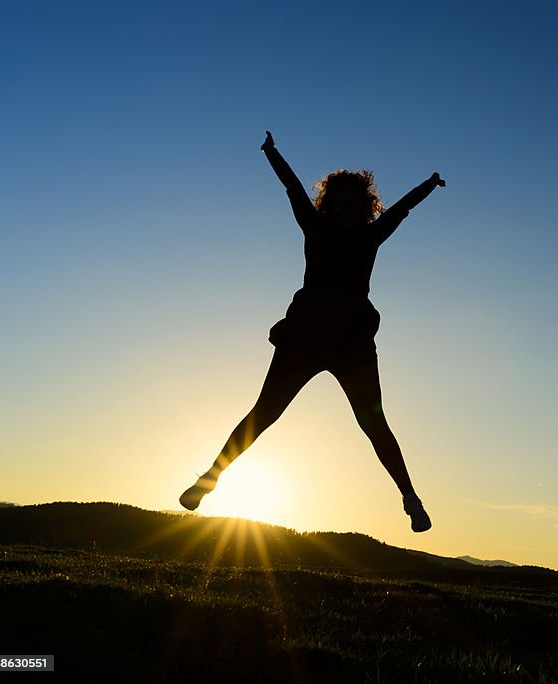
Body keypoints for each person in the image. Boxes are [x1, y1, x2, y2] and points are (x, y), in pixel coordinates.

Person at [179, 131, 445, 532]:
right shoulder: (314, 228)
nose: (344, 211)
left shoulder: (371, 236)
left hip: (351, 343)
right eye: (337, 205)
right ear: (327, 206)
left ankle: (411, 499)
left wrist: (428, 185)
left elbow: (402, 210)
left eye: (353, 206)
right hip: (303, 337)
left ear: (364, 209)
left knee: (374, 424)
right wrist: (272, 152)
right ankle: (208, 480)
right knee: (264, 413)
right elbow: (292, 187)